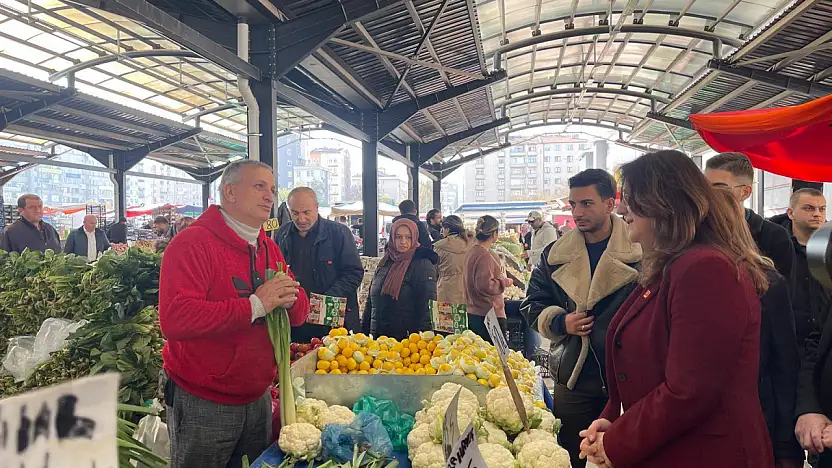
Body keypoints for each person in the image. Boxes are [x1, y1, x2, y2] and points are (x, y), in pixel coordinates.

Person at [579, 150, 774, 468]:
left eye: (631, 198)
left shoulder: (704, 269)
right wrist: (614, 418)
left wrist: (616, 442)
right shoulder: (672, 266)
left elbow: (690, 390)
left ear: (663, 203)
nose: (624, 210)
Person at [158, 160, 310, 468]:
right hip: (205, 401)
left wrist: (291, 301)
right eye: (259, 186)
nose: (270, 196)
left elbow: (299, 313)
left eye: (272, 188)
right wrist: (255, 305)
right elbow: (174, 319)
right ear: (229, 192)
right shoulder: (191, 244)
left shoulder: (268, 248)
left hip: (258, 398)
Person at [522, 169, 641, 468]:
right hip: (573, 376)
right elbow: (532, 304)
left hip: (630, 379)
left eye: (587, 203)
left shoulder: (641, 250)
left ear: (609, 204)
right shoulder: (554, 254)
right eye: (574, 204)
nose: (577, 212)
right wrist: (561, 322)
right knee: (572, 455)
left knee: (622, 457)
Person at [705, 152, 803, 467]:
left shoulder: (774, 240)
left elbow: (784, 324)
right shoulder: (695, 244)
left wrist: (787, 443)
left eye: (719, 188)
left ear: (745, 191)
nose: (710, 196)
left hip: (761, 383)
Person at [275, 187, 364, 340]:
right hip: (297, 320)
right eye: (295, 213)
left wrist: (322, 302)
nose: (301, 219)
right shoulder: (282, 233)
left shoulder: (339, 233)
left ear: (316, 208)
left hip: (334, 322)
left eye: (306, 212)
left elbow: (354, 273)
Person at [771, 188, 831, 352]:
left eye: (822, 209)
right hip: (785, 340)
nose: (817, 214)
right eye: (809, 208)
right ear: (791, 213)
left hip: (823, 341)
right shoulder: (774, 246)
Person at [361, 218, 437, 340]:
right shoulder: (385, 261)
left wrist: (422, 344)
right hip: (378, 340)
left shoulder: (422, 264)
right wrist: (364, 333)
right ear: (392, 238)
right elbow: (370, 303)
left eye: (408, 237)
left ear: (415, 238)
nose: (403, 241)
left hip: (406, 344)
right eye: (398, 237)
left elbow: (427, 309)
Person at [465, 215, 513, 341]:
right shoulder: (484, 255)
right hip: (488, 315)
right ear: (494, 234)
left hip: (473, 311)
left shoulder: (471, 251)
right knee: (495, 356)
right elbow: (485, 285)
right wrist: (504, 282)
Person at [433, 215, 475, 305]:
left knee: (446, 317)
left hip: (446, 290)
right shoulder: (470, 243)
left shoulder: (440, 246)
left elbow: (434, 270)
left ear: (447, 229)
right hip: (467, 289)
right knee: (464, 317)